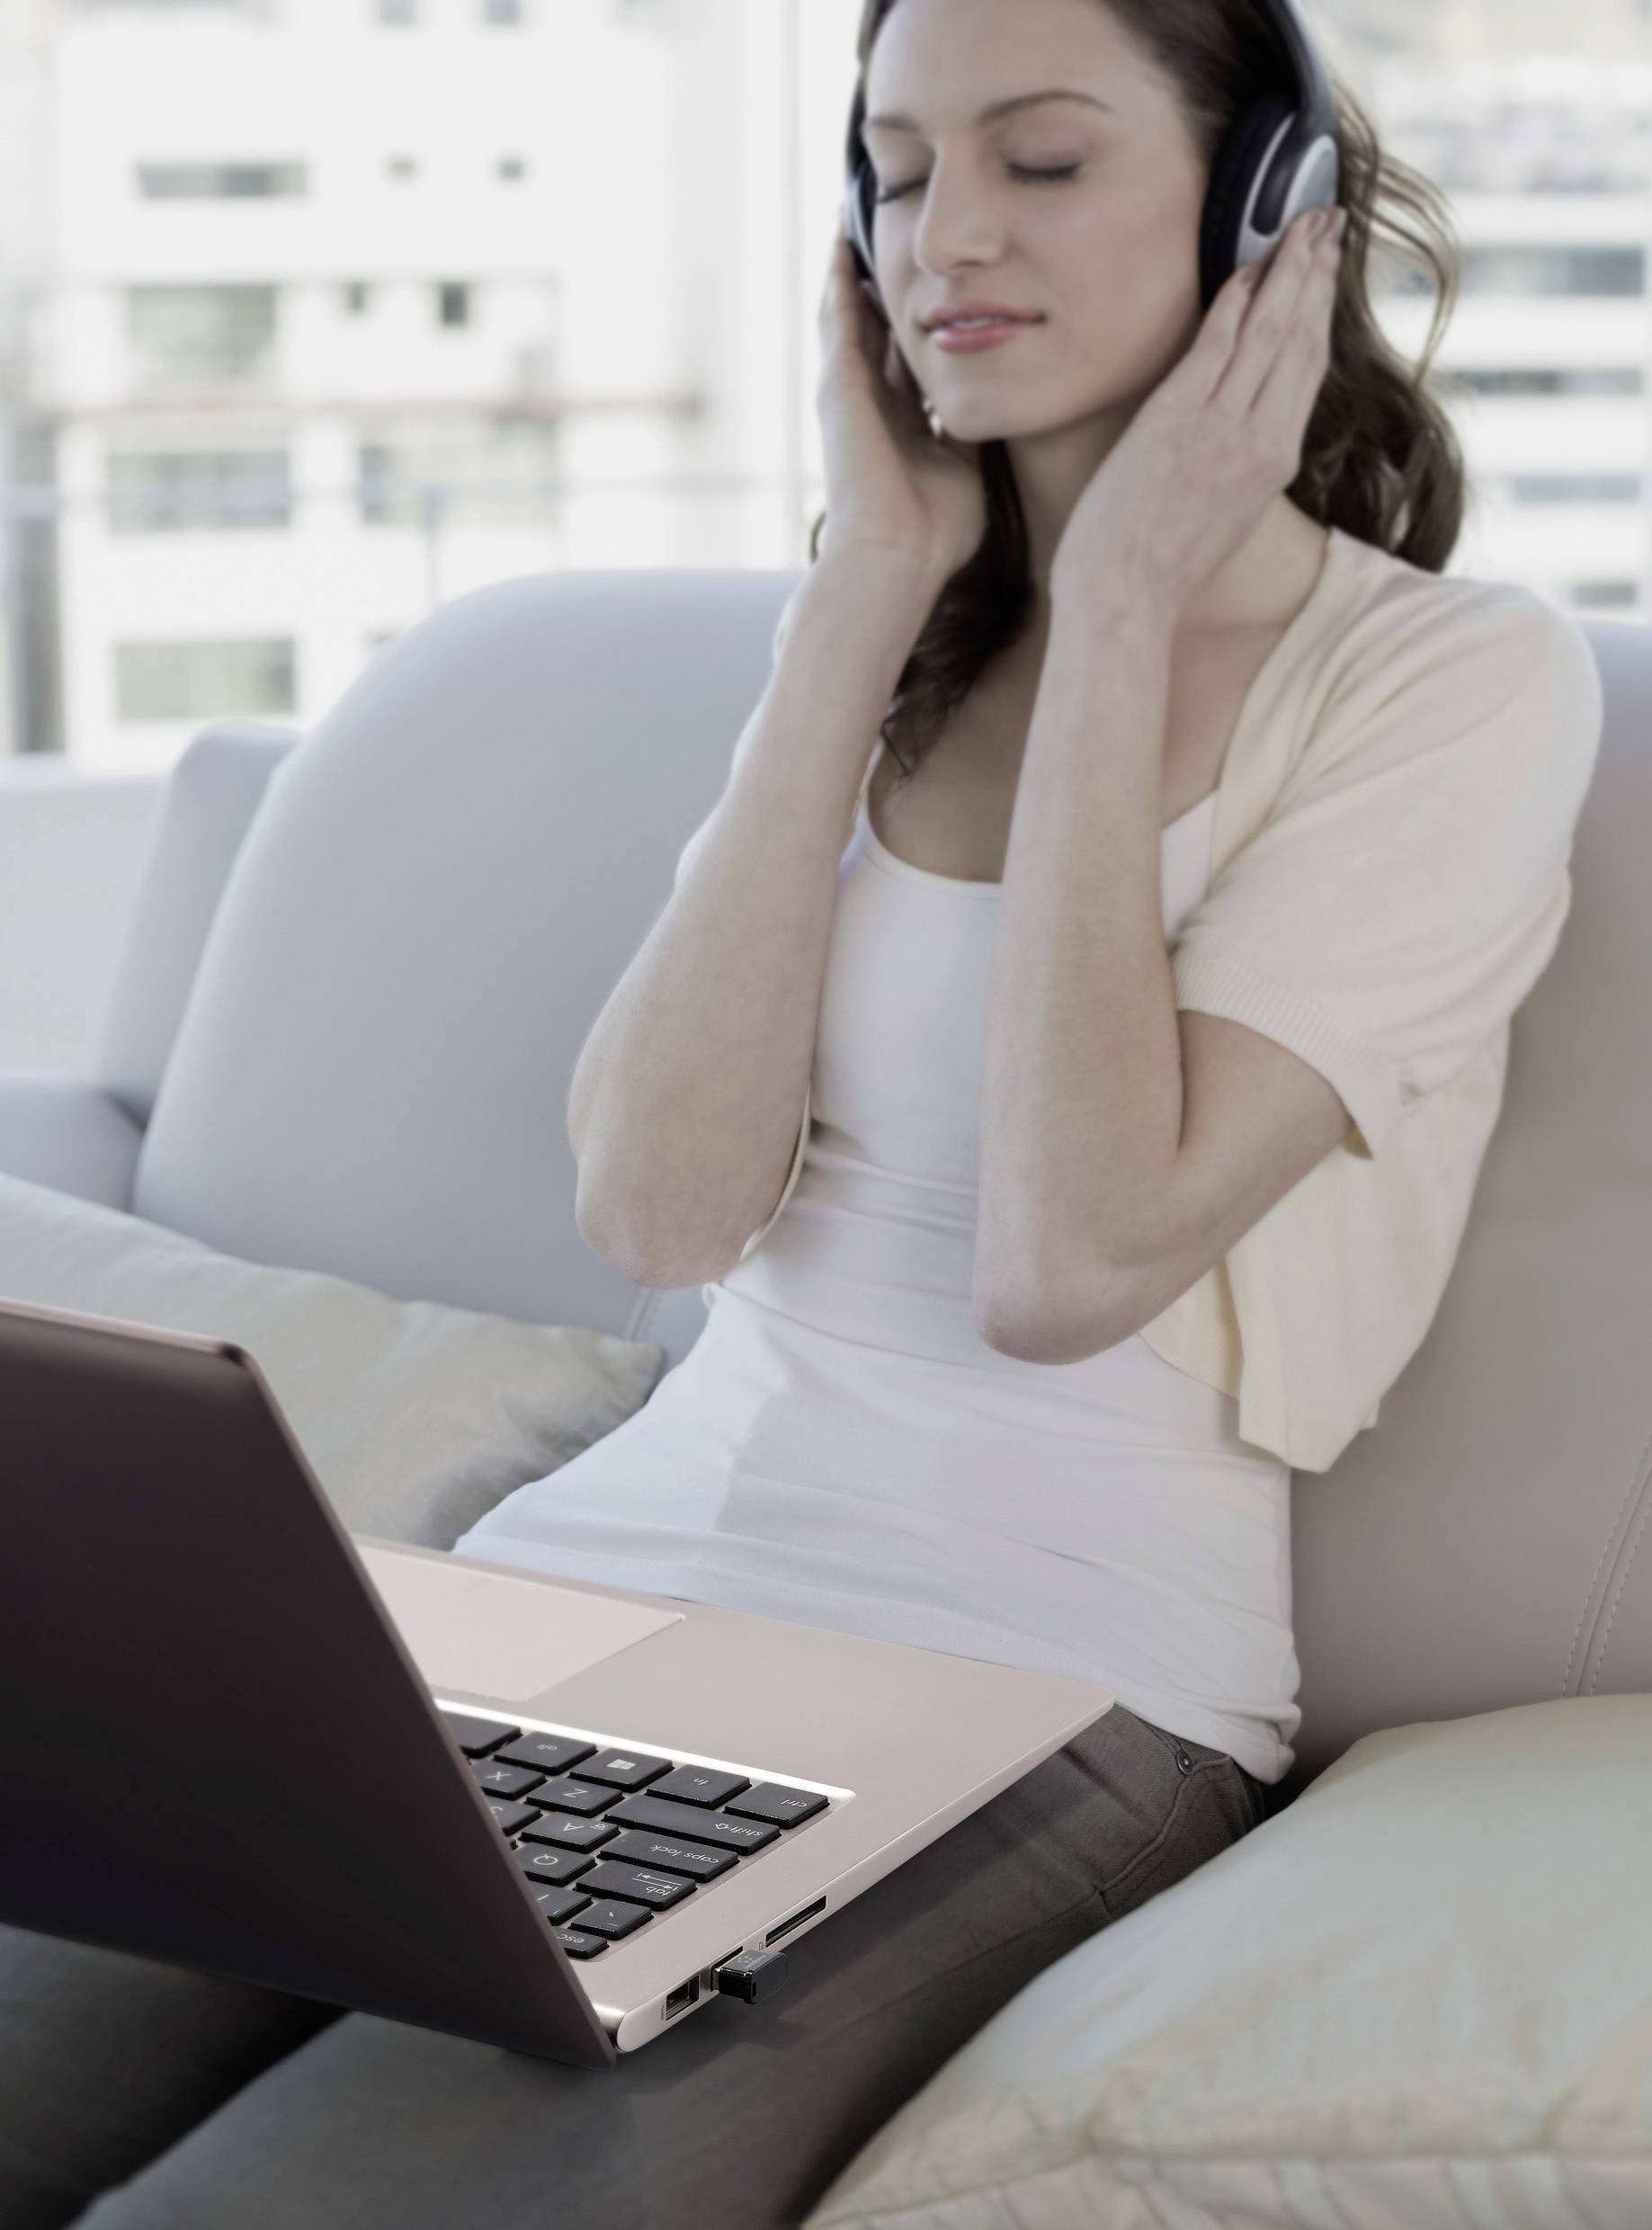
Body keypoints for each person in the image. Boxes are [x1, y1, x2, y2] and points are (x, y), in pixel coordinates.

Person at [0, 1, 1542, 2224]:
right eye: (896, 171)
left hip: (1053, 1680)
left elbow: (1069, 1266)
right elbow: (656, 1198)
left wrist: (1119, 611)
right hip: (584, 1605)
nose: (944, 238)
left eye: (1038, 159)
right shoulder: (886, 647)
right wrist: (863, 598)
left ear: (1261, 210)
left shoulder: (1440, 685)